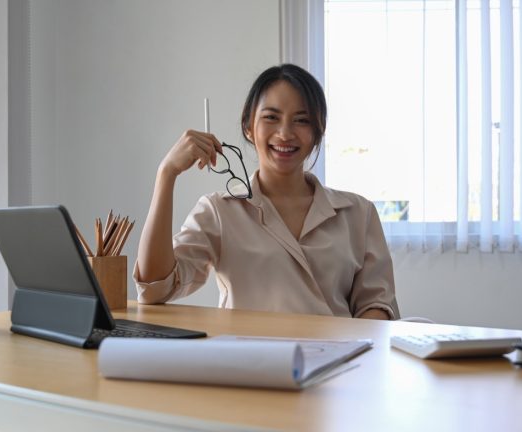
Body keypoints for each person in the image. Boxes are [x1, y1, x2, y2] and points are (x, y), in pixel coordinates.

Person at [134, 64, 399, 320]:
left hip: (337, 361)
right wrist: (166, 174)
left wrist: (354, 353)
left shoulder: (358, 213)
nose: (285, 134)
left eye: (302, 120)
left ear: (319, 131)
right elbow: (155, 288)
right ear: (249, 126)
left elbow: (377, 304)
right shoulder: (219, 211)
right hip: (248, 362)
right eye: (271, 117)